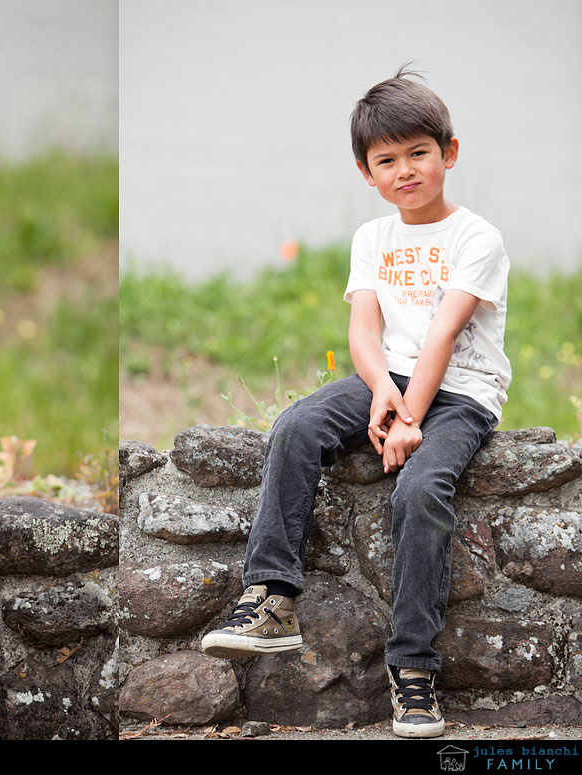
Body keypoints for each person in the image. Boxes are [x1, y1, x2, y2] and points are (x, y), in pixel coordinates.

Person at [201, 66, 510, 739]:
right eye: (387, 161)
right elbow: (364, 331)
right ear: (367, 173)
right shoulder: (372, 238)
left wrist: (406, 417)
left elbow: (443, 333)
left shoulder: (476, 238)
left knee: (420, 488)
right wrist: (383, 391)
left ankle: (415, 668)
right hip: (391, 378)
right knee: (296, 425)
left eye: (419, 153)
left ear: (449, 153)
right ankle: (272, 596)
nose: (405, 170)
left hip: (460, 393)